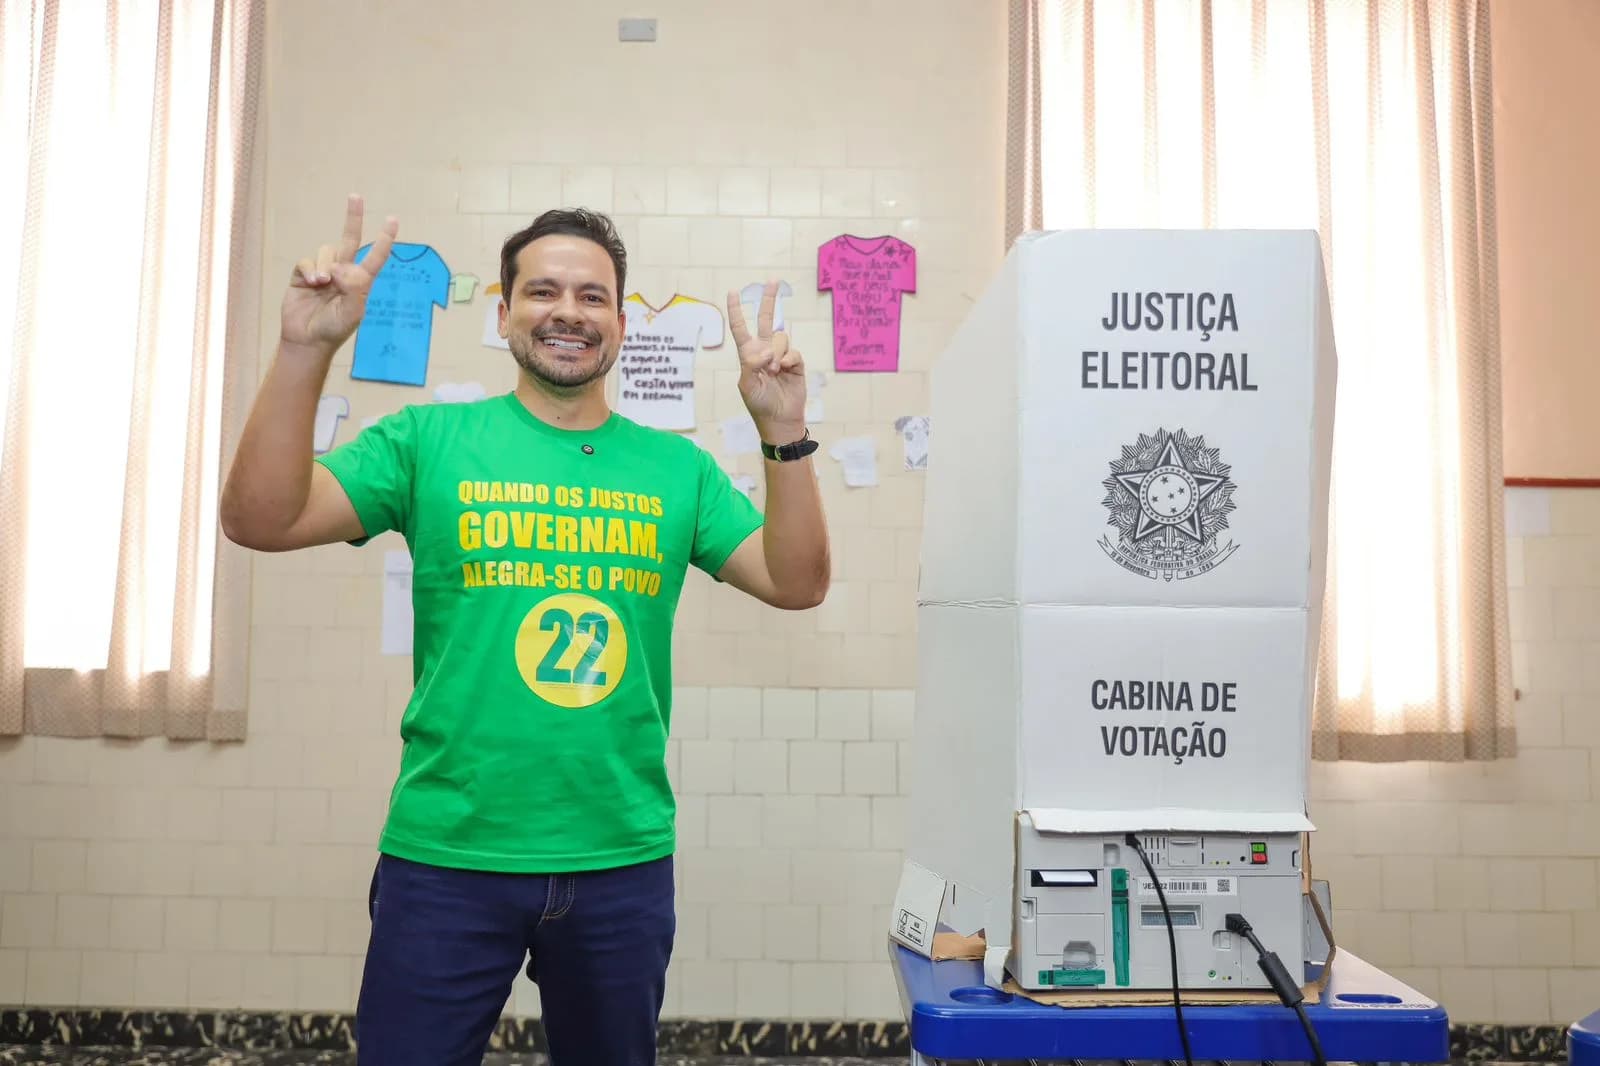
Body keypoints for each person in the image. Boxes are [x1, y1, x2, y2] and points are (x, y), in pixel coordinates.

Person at [220, 195, 830, 1065]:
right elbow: (258, 518)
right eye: (543, 292)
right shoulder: (428, 440)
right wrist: (303, 349)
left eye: (592, 296)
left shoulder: (676, 469)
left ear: (620, 321)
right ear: (504, 314)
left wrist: (784, 431)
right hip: (447, 856)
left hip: (619, 858)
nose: (568, 313)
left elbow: (797, 583)